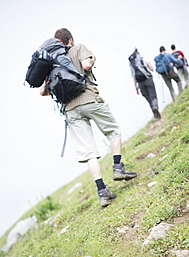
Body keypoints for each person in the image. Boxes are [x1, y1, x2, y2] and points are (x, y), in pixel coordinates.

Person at [40, 28, 137, 207]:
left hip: (70, 109)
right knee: (113, 132)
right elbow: (86, 66)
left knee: (89, 151)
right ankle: (118, 167)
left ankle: (102, 192)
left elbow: (43, 92)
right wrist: (92, 57)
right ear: (71, 39)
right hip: (89, 98)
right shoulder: (79, 48)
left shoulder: (51, 61)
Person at [129, 49, 161, 120]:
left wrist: (136, 88)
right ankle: (155, 107)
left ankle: (155, 114)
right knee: (153, 96)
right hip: (148, 79)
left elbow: (133, 76)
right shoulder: (143, 59)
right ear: (138, 54)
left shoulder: (132, 64)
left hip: (140, 83)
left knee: (148, 98)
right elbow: (152, 68)